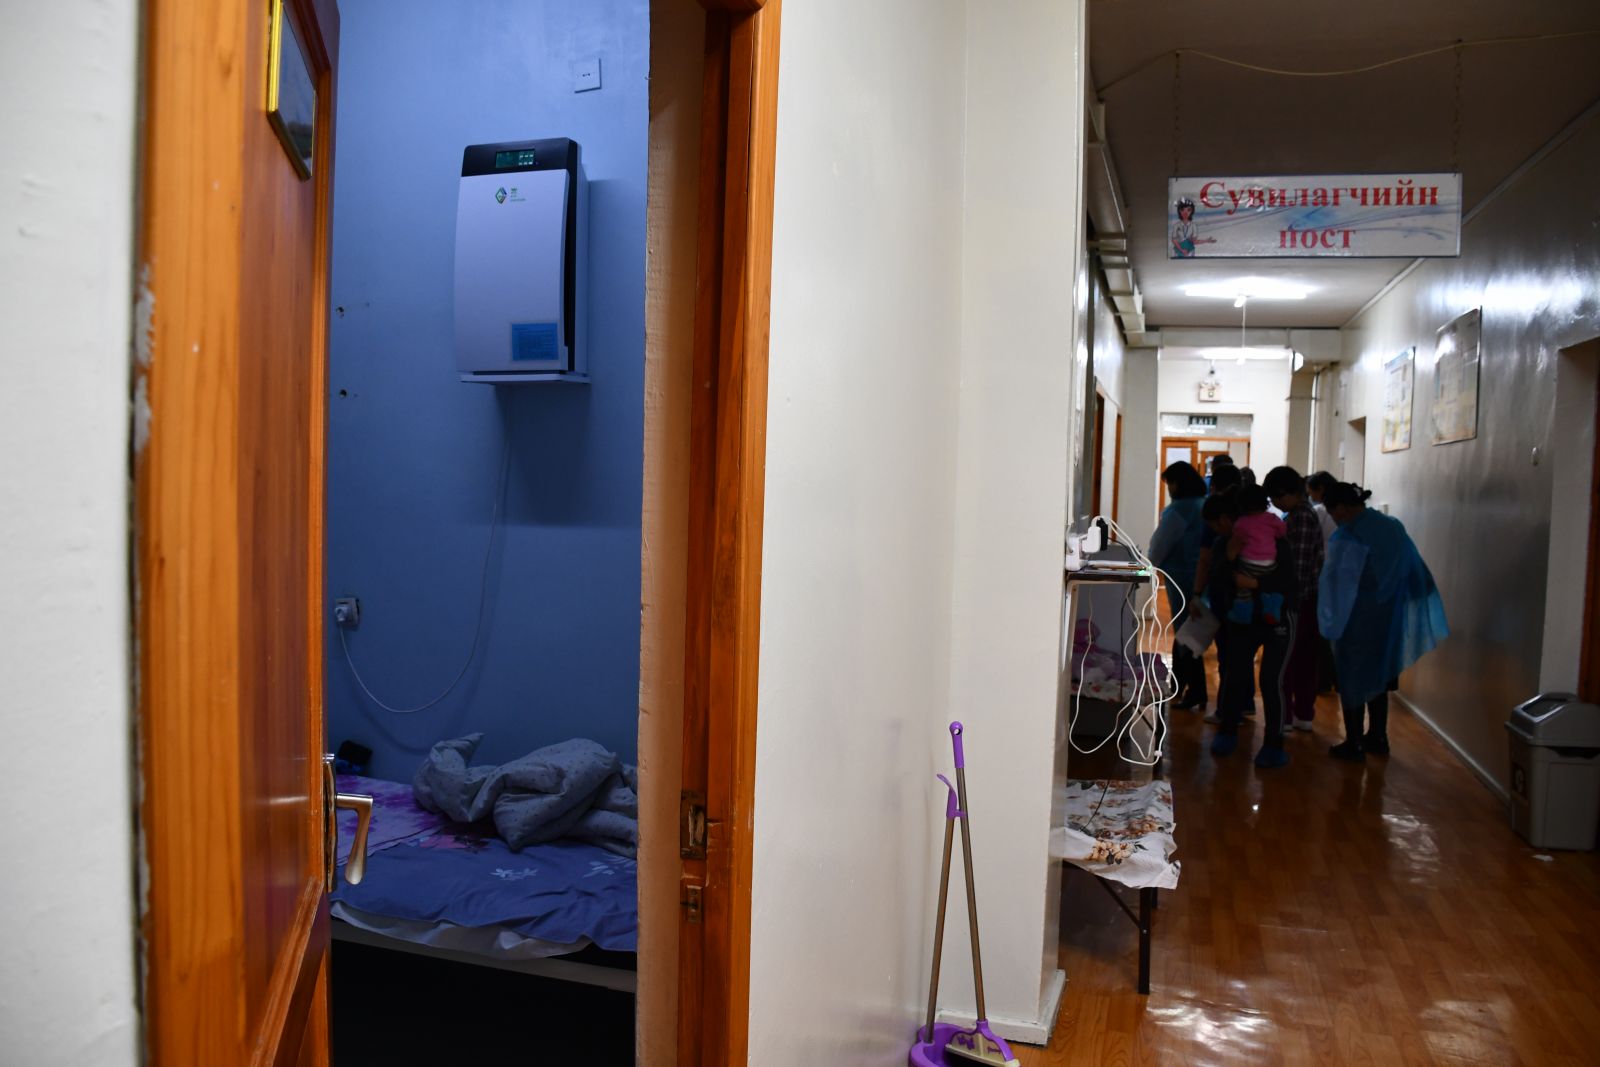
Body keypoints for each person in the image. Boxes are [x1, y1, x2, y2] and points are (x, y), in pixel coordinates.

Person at [1318, 483, 1449, 761]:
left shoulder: (1349, 536)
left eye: (1332, 510)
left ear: (1342, 507)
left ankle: (1354, 742)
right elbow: (1412, 570)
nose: (1333, 517)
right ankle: (1378, 737)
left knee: (1352, 677)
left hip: (1357, 619)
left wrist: (1330, 621)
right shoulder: (1392, 527)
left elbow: (1342, 586)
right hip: (1389, 617)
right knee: (1379, 674)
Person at [1203, 491, 1297, 769]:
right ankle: (1227, 731)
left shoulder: (1278, 540)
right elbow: (1217, 578)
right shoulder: (1227, 542)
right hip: (1242, 619)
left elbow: (1289, 582)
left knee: (1271, 681)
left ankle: (1274, 744)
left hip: (1278, 618)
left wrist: (1256, 585)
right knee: (1235, 674)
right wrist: (1231, 557)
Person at [1263, 466, 1325, 733]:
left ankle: (1286, 717)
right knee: (1304, 659)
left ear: (1286, 493)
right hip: (1307, 599)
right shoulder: (1303, 514)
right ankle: (1302, 714)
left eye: (1275, 498)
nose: (1275, 504)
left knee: (1288, 660)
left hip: (1298, 601)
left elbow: (1297, 569)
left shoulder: (1300, 518)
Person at [1149, 461, 1208, 709]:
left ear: (1178, 483)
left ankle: (1195, 690)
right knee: (1189, 631)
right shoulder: (1204, 504)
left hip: (1181, 575)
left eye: (1170, 483)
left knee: (1185, 633)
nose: (1169, 489)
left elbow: (1160, 544)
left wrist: (1148, 566)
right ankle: (1180, 686)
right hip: (1202, 576)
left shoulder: (1178, 510)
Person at [1226, 485, 1285, 623]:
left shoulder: (1241, 523)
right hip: (1270, 563)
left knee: (1242, 588)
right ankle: (1272, 605)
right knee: (1269, 589)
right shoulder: (1272, 518)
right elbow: (1282, 530)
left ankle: (1243, 614)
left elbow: (1236, 542)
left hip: (1248, 564)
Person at [1306, 471, 1338, 545]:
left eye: (1310, 492)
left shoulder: (1318, 510)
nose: (1310, 497)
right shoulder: (1345, 508)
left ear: (1320, 489)